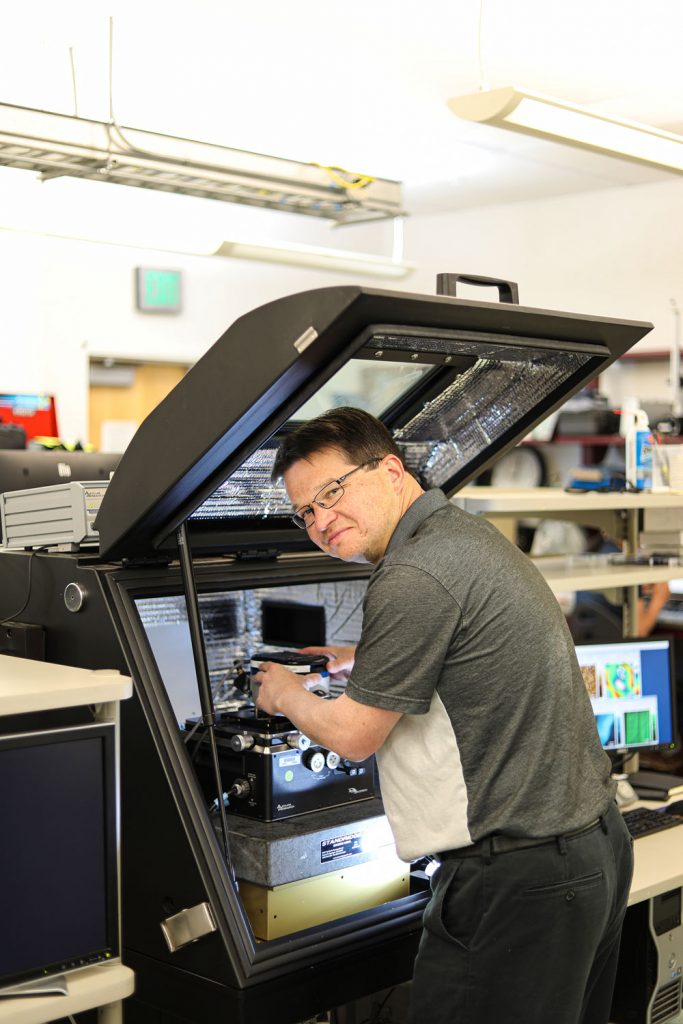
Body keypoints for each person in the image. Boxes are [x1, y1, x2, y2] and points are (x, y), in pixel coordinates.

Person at [254, 406, 633, 1024]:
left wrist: (284, 694)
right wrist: (364, 660)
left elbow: (352, 738)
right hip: (589, 852)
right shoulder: (461, 537)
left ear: (391, 470)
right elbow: (464, 651)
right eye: (306, 513)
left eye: (332, 492)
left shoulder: (412, 573)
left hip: (515, 879)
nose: (322, 522)